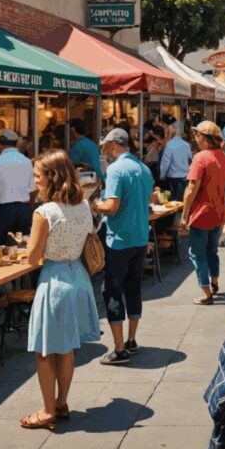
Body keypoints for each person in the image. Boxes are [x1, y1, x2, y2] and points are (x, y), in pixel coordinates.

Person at [20, 151, 101, 430]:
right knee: (66, 349)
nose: (35, 181)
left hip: (54, 280)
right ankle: (62, 402)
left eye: (37, 176)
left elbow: (32, 257)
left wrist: (36, 253)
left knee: (44, 351)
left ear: (51, 177)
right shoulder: (82, 206)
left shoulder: (44, 212)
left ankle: (47, 410)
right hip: (78, 278)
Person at [92, 128, 154, 366]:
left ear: (114, 146)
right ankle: (131, 340)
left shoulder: (116, 169)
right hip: (139, 237)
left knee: (112, 291)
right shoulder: (142, 168)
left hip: (120, 239)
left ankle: (118, 349)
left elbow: (113, 206)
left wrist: (95, 206)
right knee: (133, 288)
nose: (105, 151)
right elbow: (149, 200)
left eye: (106, 146)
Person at [180, 121, 225, 304]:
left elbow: (192, 188)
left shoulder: (200, 157)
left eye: (197, 135)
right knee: (212, 250)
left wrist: (184, 213)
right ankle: (215, 282)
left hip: (201, 213)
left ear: (204, 138)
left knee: (197, 253)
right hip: (219, 211)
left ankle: (206, 292)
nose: (195, 139)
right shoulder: (224, 157)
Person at [0, 128, 35, 246]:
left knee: (0, 247)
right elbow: (33, 188)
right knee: (24, 245)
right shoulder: (27, 161)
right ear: (16, 143)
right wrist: (29, 205)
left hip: (2, 211)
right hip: (23, 209)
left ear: (0, 144)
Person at [160, 126, 192, 201]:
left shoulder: (169, 145)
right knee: (182, 199)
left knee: (172, 199)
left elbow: (165, 161)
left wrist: (162, 174)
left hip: (172, 176)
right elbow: (190, 158)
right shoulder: (186, 144)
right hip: (184, 175)